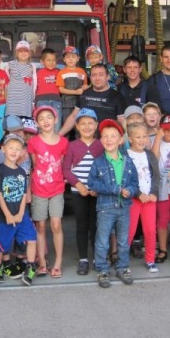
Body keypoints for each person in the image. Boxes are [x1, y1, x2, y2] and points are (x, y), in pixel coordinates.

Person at [88, 120, 139, 288]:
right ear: (101, 141)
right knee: (102, 240)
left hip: (124, 208)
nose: (109, 140)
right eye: (105, 137)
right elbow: (93, 184)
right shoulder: (98, 162)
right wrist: (115, 189)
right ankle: (102, 269)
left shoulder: (128, 161)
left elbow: (134, 183)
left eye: (113, 136)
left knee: (123, 241)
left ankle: (123, 267)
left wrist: (130, 191)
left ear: (120, 140)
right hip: (105, 208)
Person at [28, 106, 69, 278]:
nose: (46, 121)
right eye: (42, 118)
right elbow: (35, 166)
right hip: (39, 189)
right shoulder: (33, 142)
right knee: (41, 226)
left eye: (49, 117)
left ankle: (58, 262)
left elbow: (62, 165)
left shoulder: (63, 142)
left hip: (57, 189)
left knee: (56, 224)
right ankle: (42, 262)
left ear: (56, 119)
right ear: (37, 123)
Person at [0, 134, 38, 286]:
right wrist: (7, 214)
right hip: (4, 215)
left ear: (22, 152)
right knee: (0, 244)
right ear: (3, 149)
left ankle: (31, 267)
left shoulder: (21, 172)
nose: (14, 151)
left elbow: (24, 193)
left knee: (32, 238)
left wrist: (20, 213)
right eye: (11, 148)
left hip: (21, 213)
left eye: (18, 149)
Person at [62, 108, 102, 275]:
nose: (87, 127)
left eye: (90, 123)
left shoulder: (101, 145)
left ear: (96, 125)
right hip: (78, 192)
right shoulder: (72, 146)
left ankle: (97, 258)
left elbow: (105, 168)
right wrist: (78, 184)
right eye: (82, 123)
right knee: (81, 225)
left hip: (96, 192)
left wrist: (98, 187)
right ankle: (83, 259)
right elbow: (66, 170)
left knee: (96, 226)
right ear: (76, 126)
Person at [126, 122, 160, 273]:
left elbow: (156, 176)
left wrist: (153, 193)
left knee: (150, 230)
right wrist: (139, 194)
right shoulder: (125, 155)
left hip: (149, 199)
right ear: (130, 138)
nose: (141, 140)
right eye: (137, 137)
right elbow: (126, 178)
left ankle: (150, 259)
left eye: (144, 136)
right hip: (133, 199)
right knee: (129, 231)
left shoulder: (150, 155)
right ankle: (123, 260)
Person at [59, 64, 127, 136]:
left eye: (101, 75)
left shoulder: (117, 96)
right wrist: (59, 135)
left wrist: (123, 141)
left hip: (107, 141)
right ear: (90, 78)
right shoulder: (84, 94)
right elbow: (73, 116)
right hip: (85, 141)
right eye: (94, 75)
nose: (97, 78)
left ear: (108, 77)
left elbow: (121, 121)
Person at [151, 114, 170, 264]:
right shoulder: (157, 143)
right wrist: (158, 137)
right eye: (166, 129)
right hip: (162, 188)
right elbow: (153, 159)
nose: (169, 133)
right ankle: (163, 248)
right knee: (162, 220)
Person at [56, 46, 87, 126]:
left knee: (79, 124)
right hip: (66, 103)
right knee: (66, 123)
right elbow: (61, 89)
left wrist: (86, 87)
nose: (70, 59)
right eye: (68, 57)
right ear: (64, 59)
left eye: (73, 56)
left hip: (80, 103)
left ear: (78, 58)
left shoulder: (82, 71)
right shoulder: (61, 73)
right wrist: (75, 92)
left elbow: (85, 85)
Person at [5, 40, 37, 118]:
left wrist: (33, 99)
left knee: (26, 125)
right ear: (16, 53)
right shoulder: (9, 65)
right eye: (20, 51)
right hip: (12, 100)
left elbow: (35, 83)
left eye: (25, 51)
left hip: (26, 101)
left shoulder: (32, 66)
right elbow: (6, 81)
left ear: (29, 53)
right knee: (13, 125)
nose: (23, 53)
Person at [35, 48, 62, 131]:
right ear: (42, 62)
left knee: (56, 125)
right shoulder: (37, 72)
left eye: (54, 60)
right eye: (48, 60)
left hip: (56, 100)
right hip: (41, 100)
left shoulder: (59, 72)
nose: (51, 62)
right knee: (42, 125)